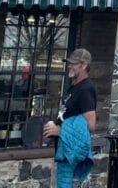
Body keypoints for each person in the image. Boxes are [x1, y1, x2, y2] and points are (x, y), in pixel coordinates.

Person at [43, 48, 97, 188]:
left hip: (71, 151)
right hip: (64, 148)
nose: (69, 66)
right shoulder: (73, 86)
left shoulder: (86, 89)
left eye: (73, 63)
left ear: (83, 65)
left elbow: (90, 125)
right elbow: (68, 114)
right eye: (69, 63)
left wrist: (61, 130)